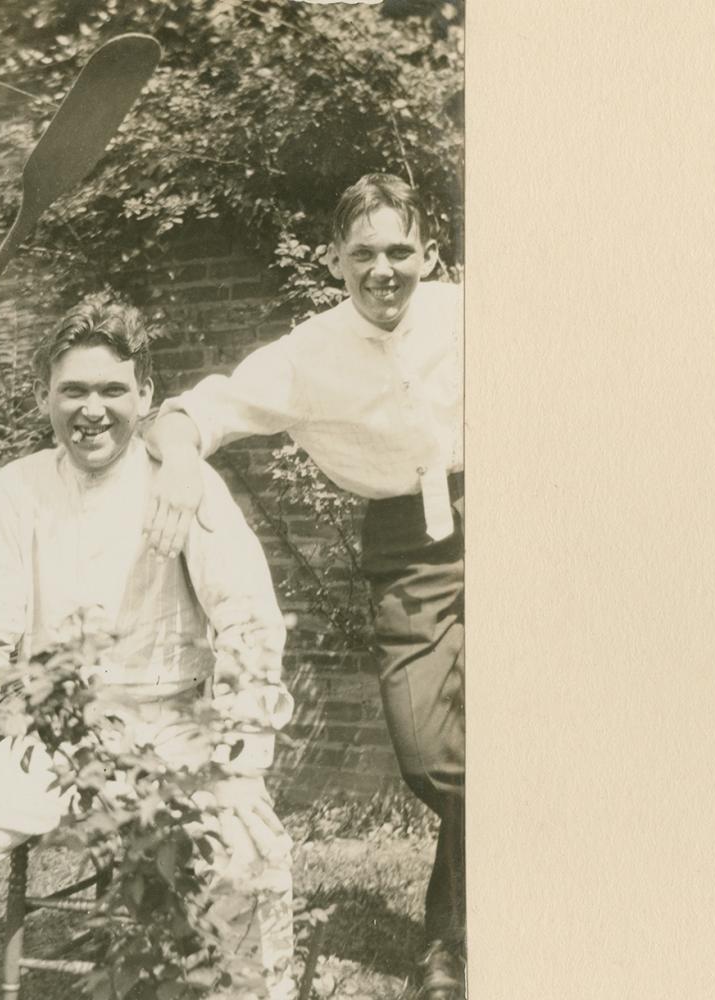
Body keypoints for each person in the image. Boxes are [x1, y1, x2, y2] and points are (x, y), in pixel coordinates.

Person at [0, 294, 295, 1000]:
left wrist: (242, 762)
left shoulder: (186, 483)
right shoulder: (18, 488)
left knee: (247, 856)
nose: (92, 410)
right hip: (56, 737)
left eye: (112, 389)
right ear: (44, 398)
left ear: (145, 395)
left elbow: (249, 622)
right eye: (72, 390)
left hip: (176, 729)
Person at [144, 174, 466, 1000]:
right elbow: (201, 409)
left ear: (430, 254)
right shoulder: (307, 355)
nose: (383, 270)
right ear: (334, 261)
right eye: (364, 254)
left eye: (400, 251)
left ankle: (448, 940)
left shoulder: (469, 314)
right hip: (409, 547)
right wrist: (177, 456)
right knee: (430, 754)